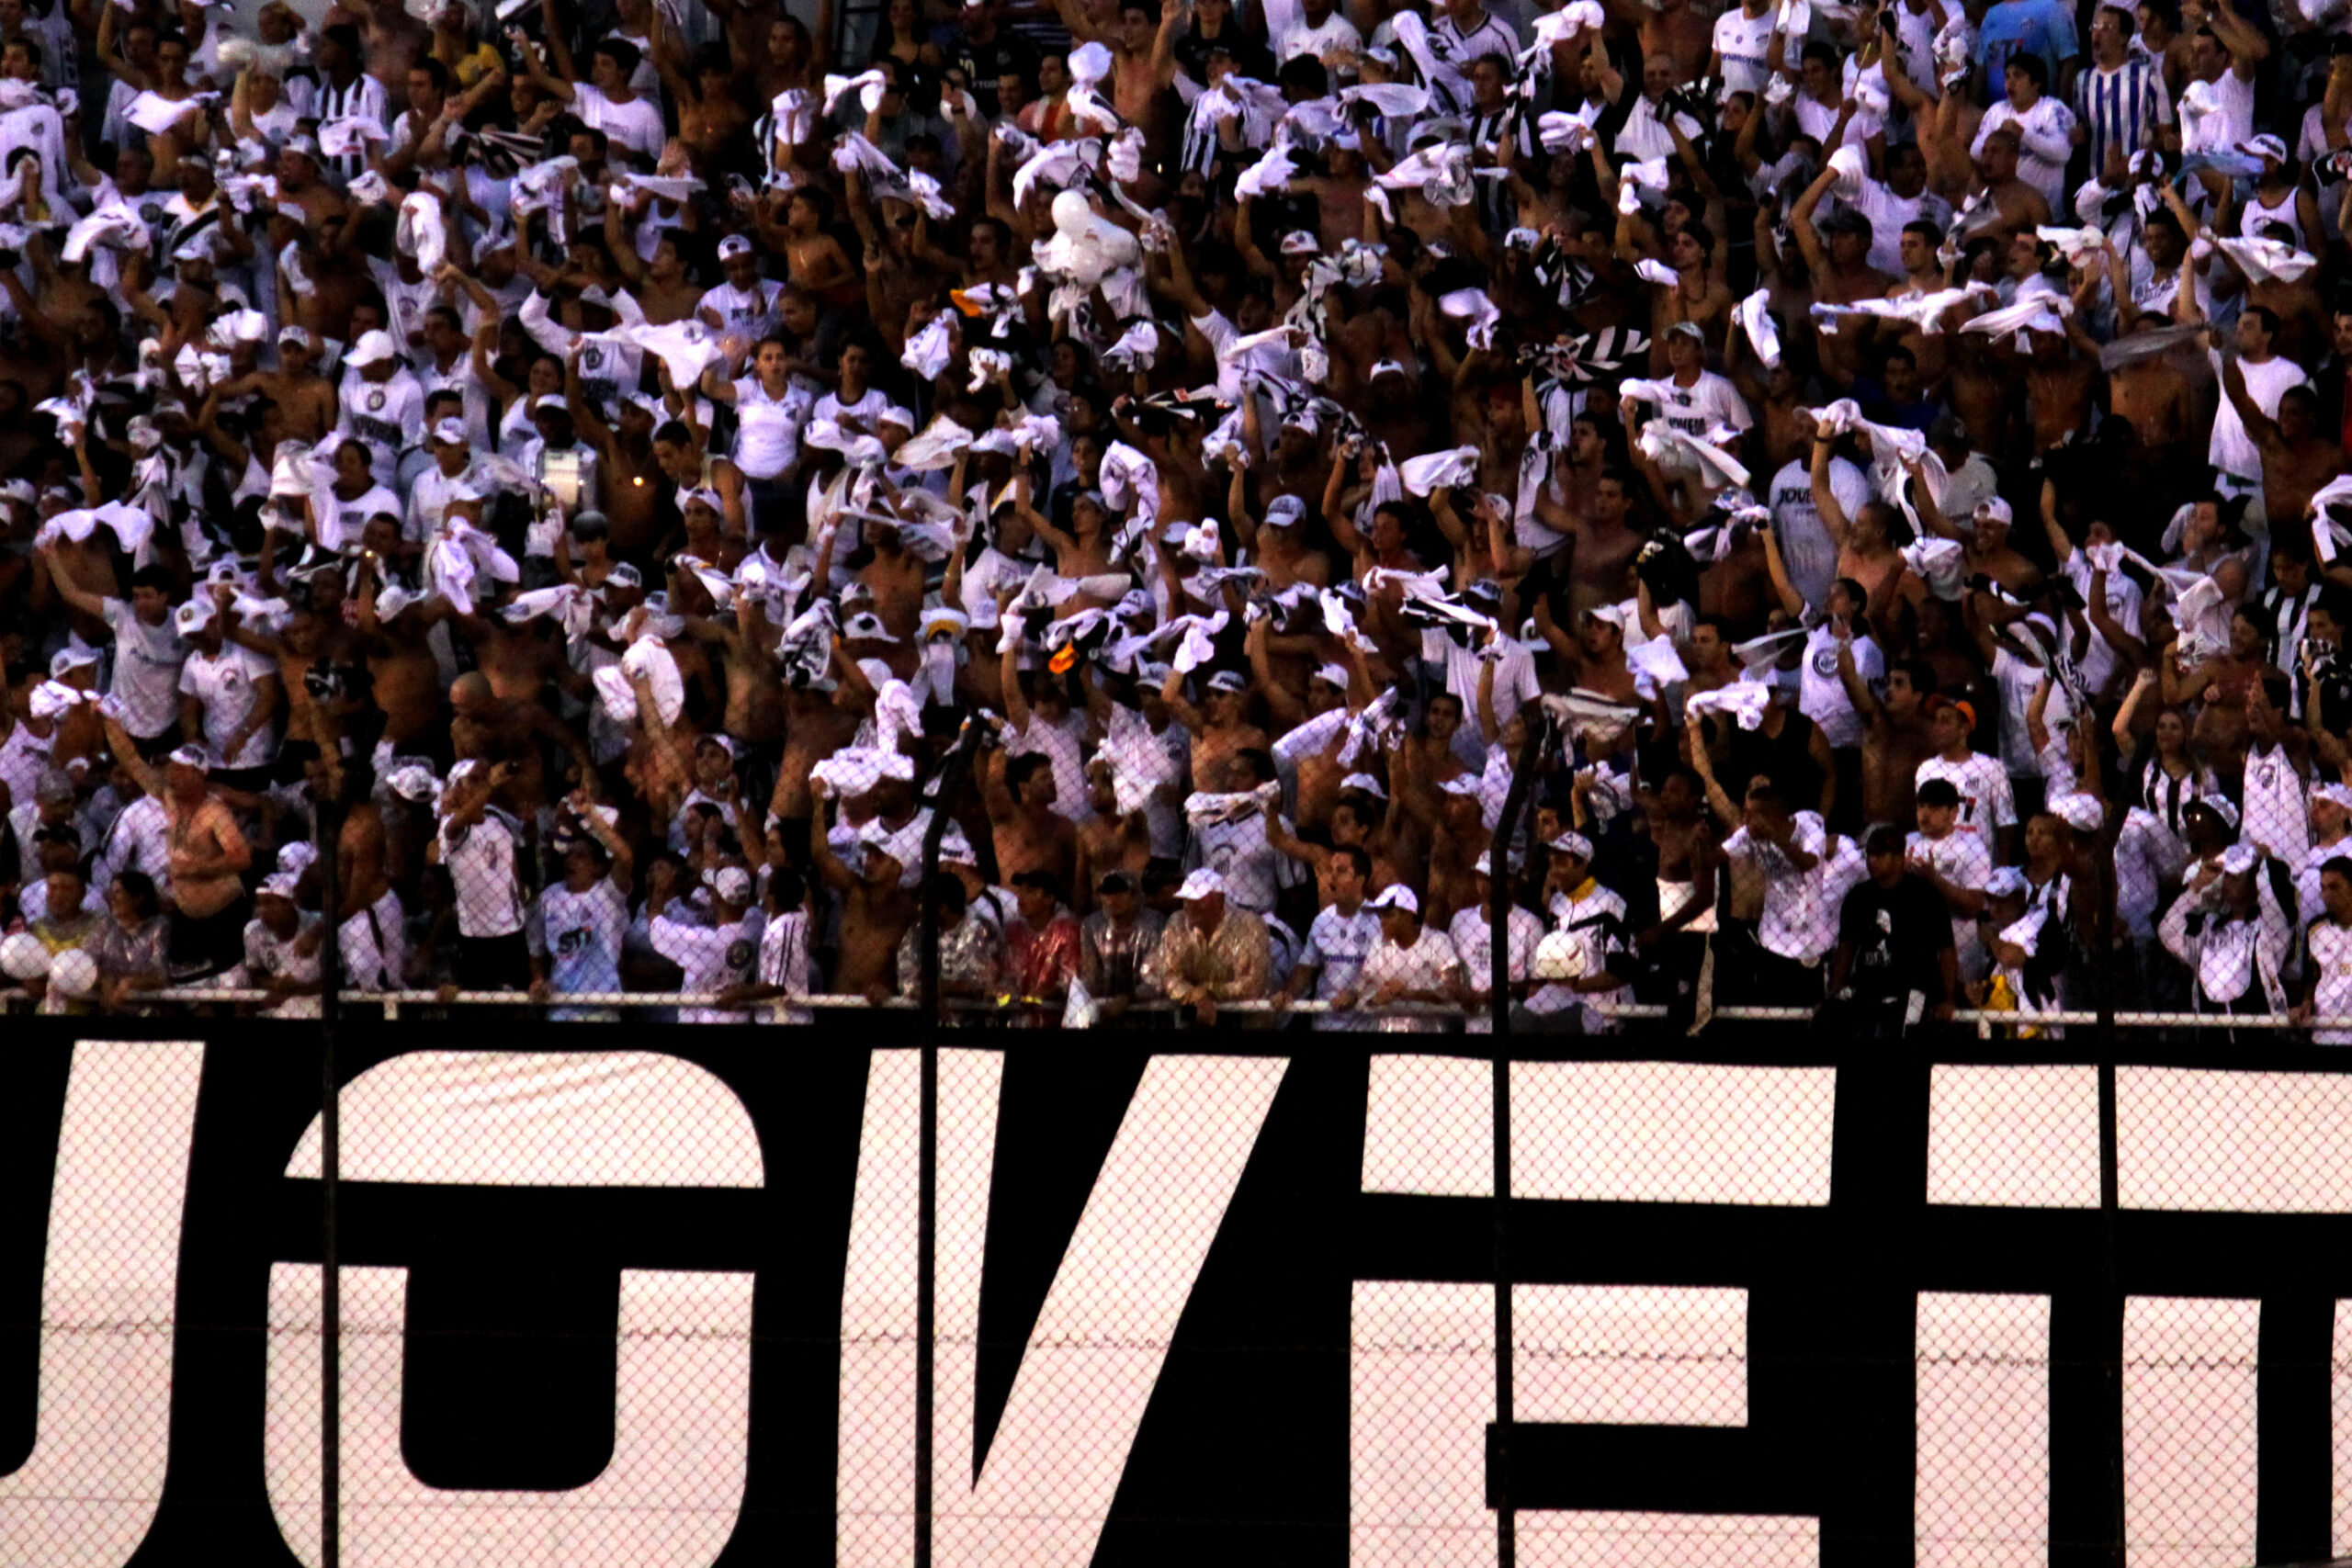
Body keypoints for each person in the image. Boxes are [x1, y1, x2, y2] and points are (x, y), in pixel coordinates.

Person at [1825, 825, 1961, 1034]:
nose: (1872, 861)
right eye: (1870, 855)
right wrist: (1835, 989)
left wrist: (1948, 998)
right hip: (1868, 984)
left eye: (1880, 855)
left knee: (1905, 1030)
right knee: (1827, 1020)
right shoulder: (1858, 897)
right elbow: (1846, 948)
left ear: (1898, 858)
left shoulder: (1926, 897)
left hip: (1913, 988)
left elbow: (1946, 951)